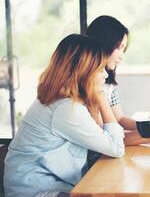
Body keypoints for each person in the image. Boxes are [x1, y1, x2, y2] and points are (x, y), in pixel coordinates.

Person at [4, 34, 125, 197]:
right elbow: (116, 147)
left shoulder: (62, 101)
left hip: (46, 187)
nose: (105, 75)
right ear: (84, 72)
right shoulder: (67, 109)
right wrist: (101, 96)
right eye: (100, 69)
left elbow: (103, 138)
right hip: (39, 192)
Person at [87, 15, 150, 145]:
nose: (121, 56)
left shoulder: (108, 85)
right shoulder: (89, 87)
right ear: (104, 44)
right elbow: (107, 139)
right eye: (119, 48)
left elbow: (119, 119)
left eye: (124, 49)